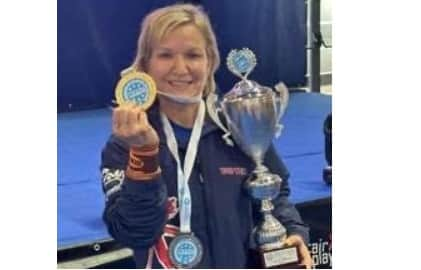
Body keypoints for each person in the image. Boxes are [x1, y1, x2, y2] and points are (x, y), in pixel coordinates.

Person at [100, 4, 312, 268]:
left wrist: (292, 231)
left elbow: (274, 195)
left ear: (210, 61)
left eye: (193, 55)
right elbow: (133, 232)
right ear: (145, 65)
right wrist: (144, 156)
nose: (180, 68)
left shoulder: (237, 124)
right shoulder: (126, 145)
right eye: (165, 55)